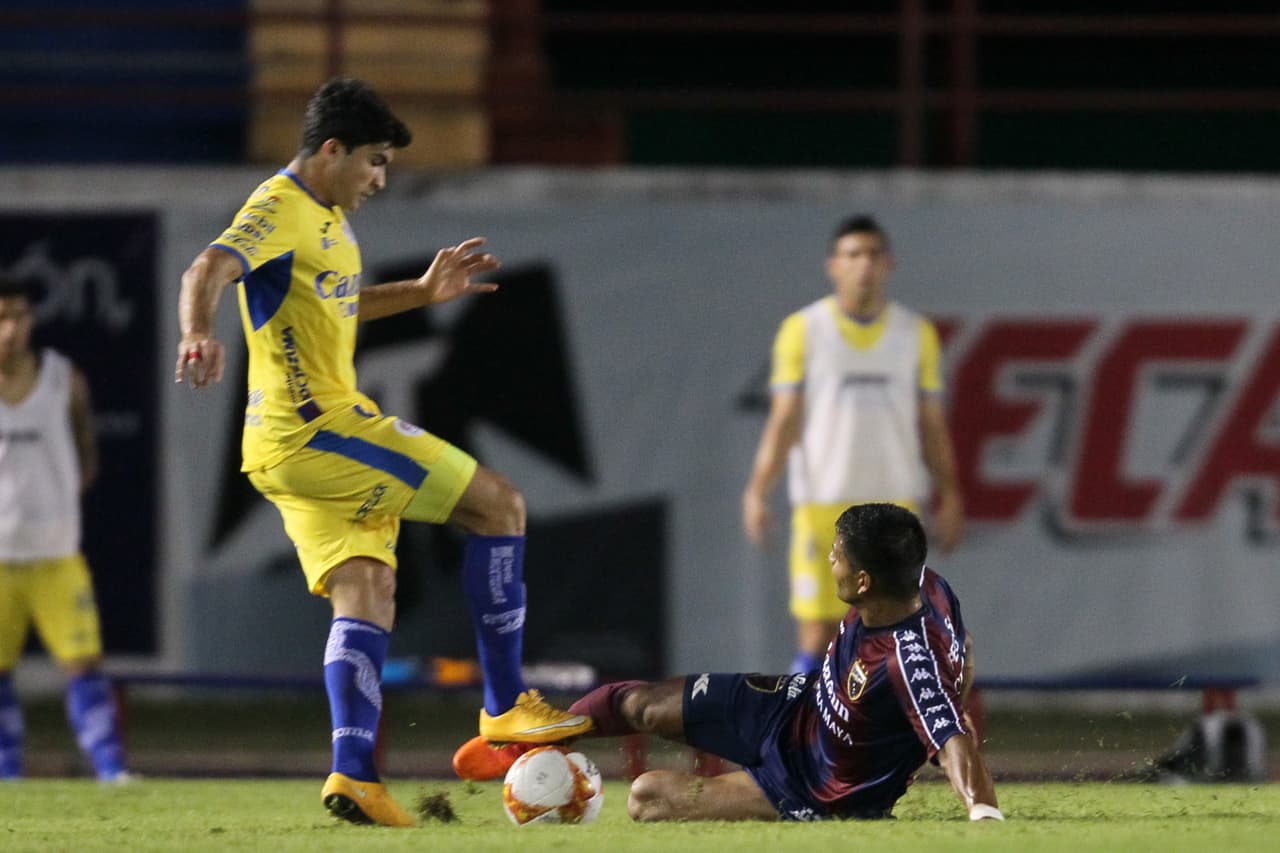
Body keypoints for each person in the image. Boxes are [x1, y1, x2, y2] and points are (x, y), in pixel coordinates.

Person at [174, 78, 591, 827]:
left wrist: (422, 292)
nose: (379, 179)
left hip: (284, 446)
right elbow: (204, 268)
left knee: (366, 588)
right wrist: (197, 331)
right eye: (372, 161)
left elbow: (336, 304)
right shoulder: (279, 208)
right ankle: (503, 709)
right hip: (315, 429)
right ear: (330, 150)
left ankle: (355, 776)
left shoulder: (326, 221)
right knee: (499, 504)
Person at [569, 502, 1000, 822]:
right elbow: (967, 645)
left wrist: (983, 814)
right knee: (641, 703)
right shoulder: (925, 584)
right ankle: (527, 744)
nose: (830, 561)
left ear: (864, 581)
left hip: (814, 786)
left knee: (646, 797)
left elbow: (953, 742)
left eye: (837, 555)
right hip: (796, 707)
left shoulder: (907, 659)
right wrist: (951, 694)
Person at [742, 215, 964, 675]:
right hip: (823, 505)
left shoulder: (914, 333)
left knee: (900, 631)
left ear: (890, 264)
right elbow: (785, 418)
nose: (864, 265)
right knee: (819, 637)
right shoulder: (804, 330)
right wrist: (758, 489)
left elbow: (931, 423)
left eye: (873, 254)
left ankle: (891, 741)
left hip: (895, 506)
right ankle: (805, 740)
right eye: (853, 255)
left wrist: (952, 493)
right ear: (833, 265)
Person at [0, 274, 131, 784]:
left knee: (83, 664)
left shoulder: (62, 378)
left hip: (56, 555)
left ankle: (111, 770)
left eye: (17, 316)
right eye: (0, 317)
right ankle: (7, 773)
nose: (9, 329)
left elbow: (87, 455)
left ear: (31, 320)